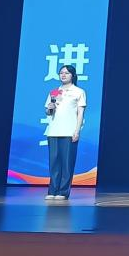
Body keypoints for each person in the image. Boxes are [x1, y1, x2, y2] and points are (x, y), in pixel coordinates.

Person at [43, 65, 86, 201]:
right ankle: (52, 190)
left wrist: (77, 131)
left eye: (66, 73)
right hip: (53, 131)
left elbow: (80, 113)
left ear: (72, 75)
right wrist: (50, 108)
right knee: (54, 163)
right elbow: (48, 112)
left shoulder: (78, 92)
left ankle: (63, 191)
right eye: (61, 73)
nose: (63, 75)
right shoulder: (54, 92)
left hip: (69, 131)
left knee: (67, 163)